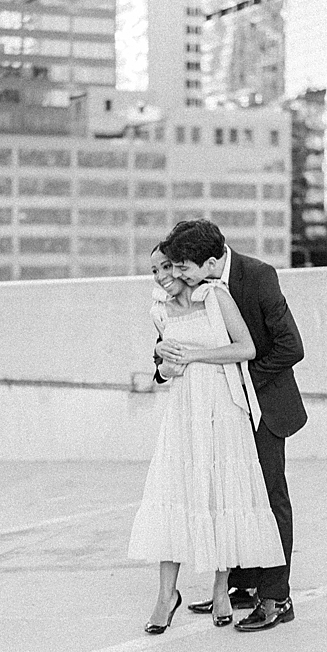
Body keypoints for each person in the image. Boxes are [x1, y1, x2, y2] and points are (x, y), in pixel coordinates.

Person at [159, 219, 307, 632]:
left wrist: (240, 376)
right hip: (219, 410)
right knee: (229, 493)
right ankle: (241, 585)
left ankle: (277, 598)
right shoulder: (195, 288)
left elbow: (290, 346)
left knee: (268, 497)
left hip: (264, 405)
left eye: (182, 266)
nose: (176, 274)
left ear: (209, 260)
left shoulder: (258, 277)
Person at [128, 245, 285, 632]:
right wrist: (163, 357)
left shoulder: (216, 296)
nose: (162, 275)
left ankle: (220, 587)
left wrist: (195, 356)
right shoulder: (159, 311)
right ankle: (166, 596)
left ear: (184, 267)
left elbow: (245, 348)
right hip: (183, 412)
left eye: (168, 266)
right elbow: (164, 373)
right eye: (154, 270)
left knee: (219, 493)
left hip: (223, 406)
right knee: (175, 495)